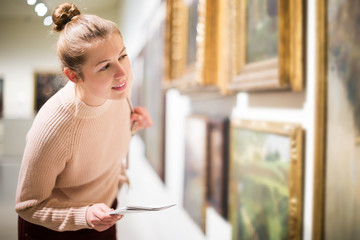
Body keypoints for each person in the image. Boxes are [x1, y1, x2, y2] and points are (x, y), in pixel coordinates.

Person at [15, 2, 152, 239]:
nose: (122, 72)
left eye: (123, 56)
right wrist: (84, 216)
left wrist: (132, 126)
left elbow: (96, 140)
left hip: (104, 211)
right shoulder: (54, 126)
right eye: (104, 66)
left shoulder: (118, 88)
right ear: (73, 75)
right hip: (55, 229)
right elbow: (28, 206)